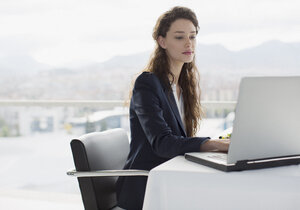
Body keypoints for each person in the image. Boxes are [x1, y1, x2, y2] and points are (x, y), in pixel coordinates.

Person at [116, 6, 230, 210]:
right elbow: (163, 143)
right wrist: (214, 144)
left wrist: (221, 143)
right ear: (162, 41)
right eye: (179, 37)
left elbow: (180, 140)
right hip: (146, 185)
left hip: (171, 178)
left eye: (193, 36)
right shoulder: (147, 83)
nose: (189, 43)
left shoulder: (183, 85)